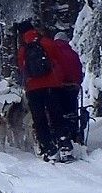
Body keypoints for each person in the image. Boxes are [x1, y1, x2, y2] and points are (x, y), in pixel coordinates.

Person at [15, 21, 79, 163]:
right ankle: (64, 146)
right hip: (52, 85)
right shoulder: (47, 43)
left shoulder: (23, 50)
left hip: (33, 89)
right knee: (57, 115)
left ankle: (49, 150)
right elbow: (60, 61)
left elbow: (22, 69)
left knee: (40, 120)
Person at [50, 31, 86, 146]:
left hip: (58, 87)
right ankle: (74, 134)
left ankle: (61, 136)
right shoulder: (73, 53)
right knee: (72, 111)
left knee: (59, 112)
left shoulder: (53, 53)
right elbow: (79, 70)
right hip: (73, 87)